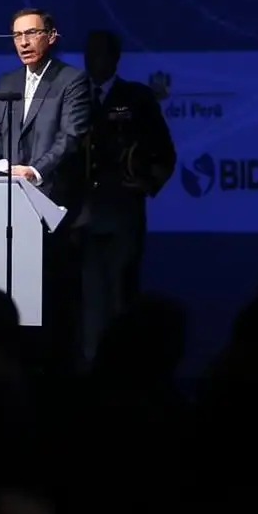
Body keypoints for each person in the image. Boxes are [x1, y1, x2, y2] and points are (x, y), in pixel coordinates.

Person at [0, 9, 92, 368]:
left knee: (54, 303)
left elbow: (71, 136)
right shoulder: (8, 82)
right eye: (17, 35)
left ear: (51, 36)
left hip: (54, 208)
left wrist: (35, 171)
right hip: (10, 209)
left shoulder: (72, 80)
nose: (23, 42)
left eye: (31, 33)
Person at [73, 30, 175, 362]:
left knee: (121, 297)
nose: (93, 60)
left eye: (100, 52)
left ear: (116, 58)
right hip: (80, 219)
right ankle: (90, 373)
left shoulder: (136, 97)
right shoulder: (72, 97)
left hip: (122, 215)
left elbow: (163, 152)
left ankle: (124, 370)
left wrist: (145, 183)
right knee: (87, 303)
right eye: (88, 53)